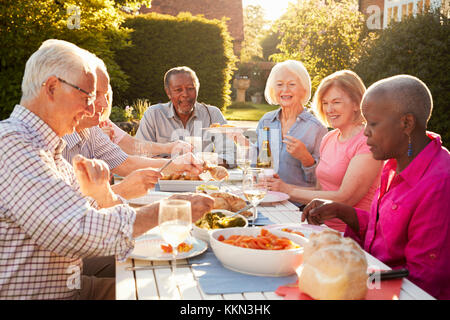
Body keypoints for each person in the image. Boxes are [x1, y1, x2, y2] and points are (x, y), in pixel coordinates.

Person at [0, 39, 214, 300]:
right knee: (170, 291)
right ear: (52, 88)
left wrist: (112, 196)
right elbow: (76, 230)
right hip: (46, 293)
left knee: (176, 282)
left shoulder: (46, 145)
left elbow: (91, 207)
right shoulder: (13, 143)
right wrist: (167, 211)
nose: (93, 109)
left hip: (70, 279)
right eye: (87, 96)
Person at [302, 75, 450, 299]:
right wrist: (343, 211)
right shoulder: (393, 162)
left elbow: (422, 281)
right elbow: (386, 232)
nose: (365, 132)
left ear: (406, 123)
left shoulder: (440, 183)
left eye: (373, 123)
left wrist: (355, 278)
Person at [62, 56, 204, 200]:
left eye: (106, 96)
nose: (105, 105)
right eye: (95, 94)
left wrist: (178, 164)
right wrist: (121, 190)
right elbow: (65, 208)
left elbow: (126, 162)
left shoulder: (91, 130)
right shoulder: (49, 139)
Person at [266, 70, 383, 231]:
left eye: (336, 102)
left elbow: (345, 198)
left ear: (357, 104)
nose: (329, 109)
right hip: (319, 227)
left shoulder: (367, 142)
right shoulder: (329, 138)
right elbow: (320, 191)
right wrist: (280, 186)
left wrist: (287, 190)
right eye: (325, 103)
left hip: (351, 234)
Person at [135, 66, 236, 166]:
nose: (185, 94)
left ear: (197, 89)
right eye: (178, 90)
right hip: (163, 179)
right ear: (168, 92)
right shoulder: (154, 114)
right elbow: (140, 153)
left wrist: (205, 164)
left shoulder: (213, 114)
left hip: (202, 179)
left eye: (190, 88)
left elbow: (230, 154)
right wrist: (177, 164)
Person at [256, 60, 328, 192]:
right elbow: (256, 164)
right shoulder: (266, 121)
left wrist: (306, 158)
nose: (285, 90)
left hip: (298, 205)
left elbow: (322, 183)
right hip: (265, 198)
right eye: (279, 84)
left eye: (292, 84)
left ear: (304, 89)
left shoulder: (317, 128)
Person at [100, 84, 193, 157]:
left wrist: (169, 148)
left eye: (107, 97)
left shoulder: (104, 122)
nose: (105, 104)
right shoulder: (94, 127)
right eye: (97, 96)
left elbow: (133, 147)